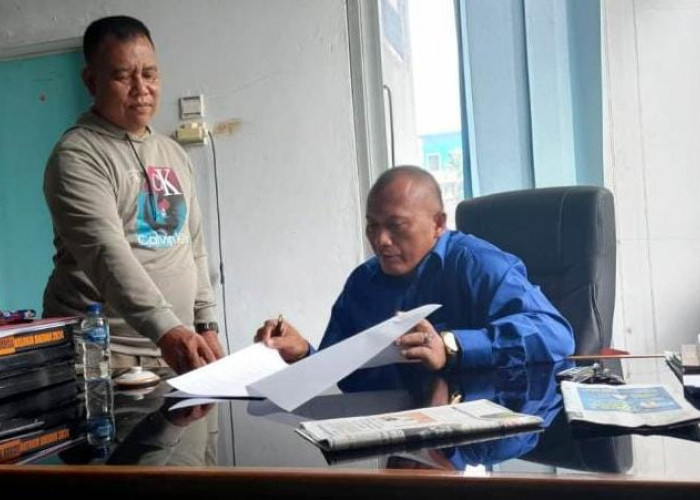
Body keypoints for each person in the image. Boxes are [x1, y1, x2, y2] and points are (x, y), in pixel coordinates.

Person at [255, 166, 574, 388]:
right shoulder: (363, 282)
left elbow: (556, 335)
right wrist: (303, 354)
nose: (380, 240)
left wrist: (452, 346)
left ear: (438, 224)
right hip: (385, 432)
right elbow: (341, 368)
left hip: (474, 426)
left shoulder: (478, 264)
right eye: (372, 226)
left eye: (396, 226)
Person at [43, 15, 223, 374]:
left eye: (150, 74)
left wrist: (205, 322)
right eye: (123, 76)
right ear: (91, 81)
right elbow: (107, 254)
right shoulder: (77, 156)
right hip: (103, 355)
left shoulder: (172, 152)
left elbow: (194, 244)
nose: (142, 89)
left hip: (174, 346)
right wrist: (167, 329)